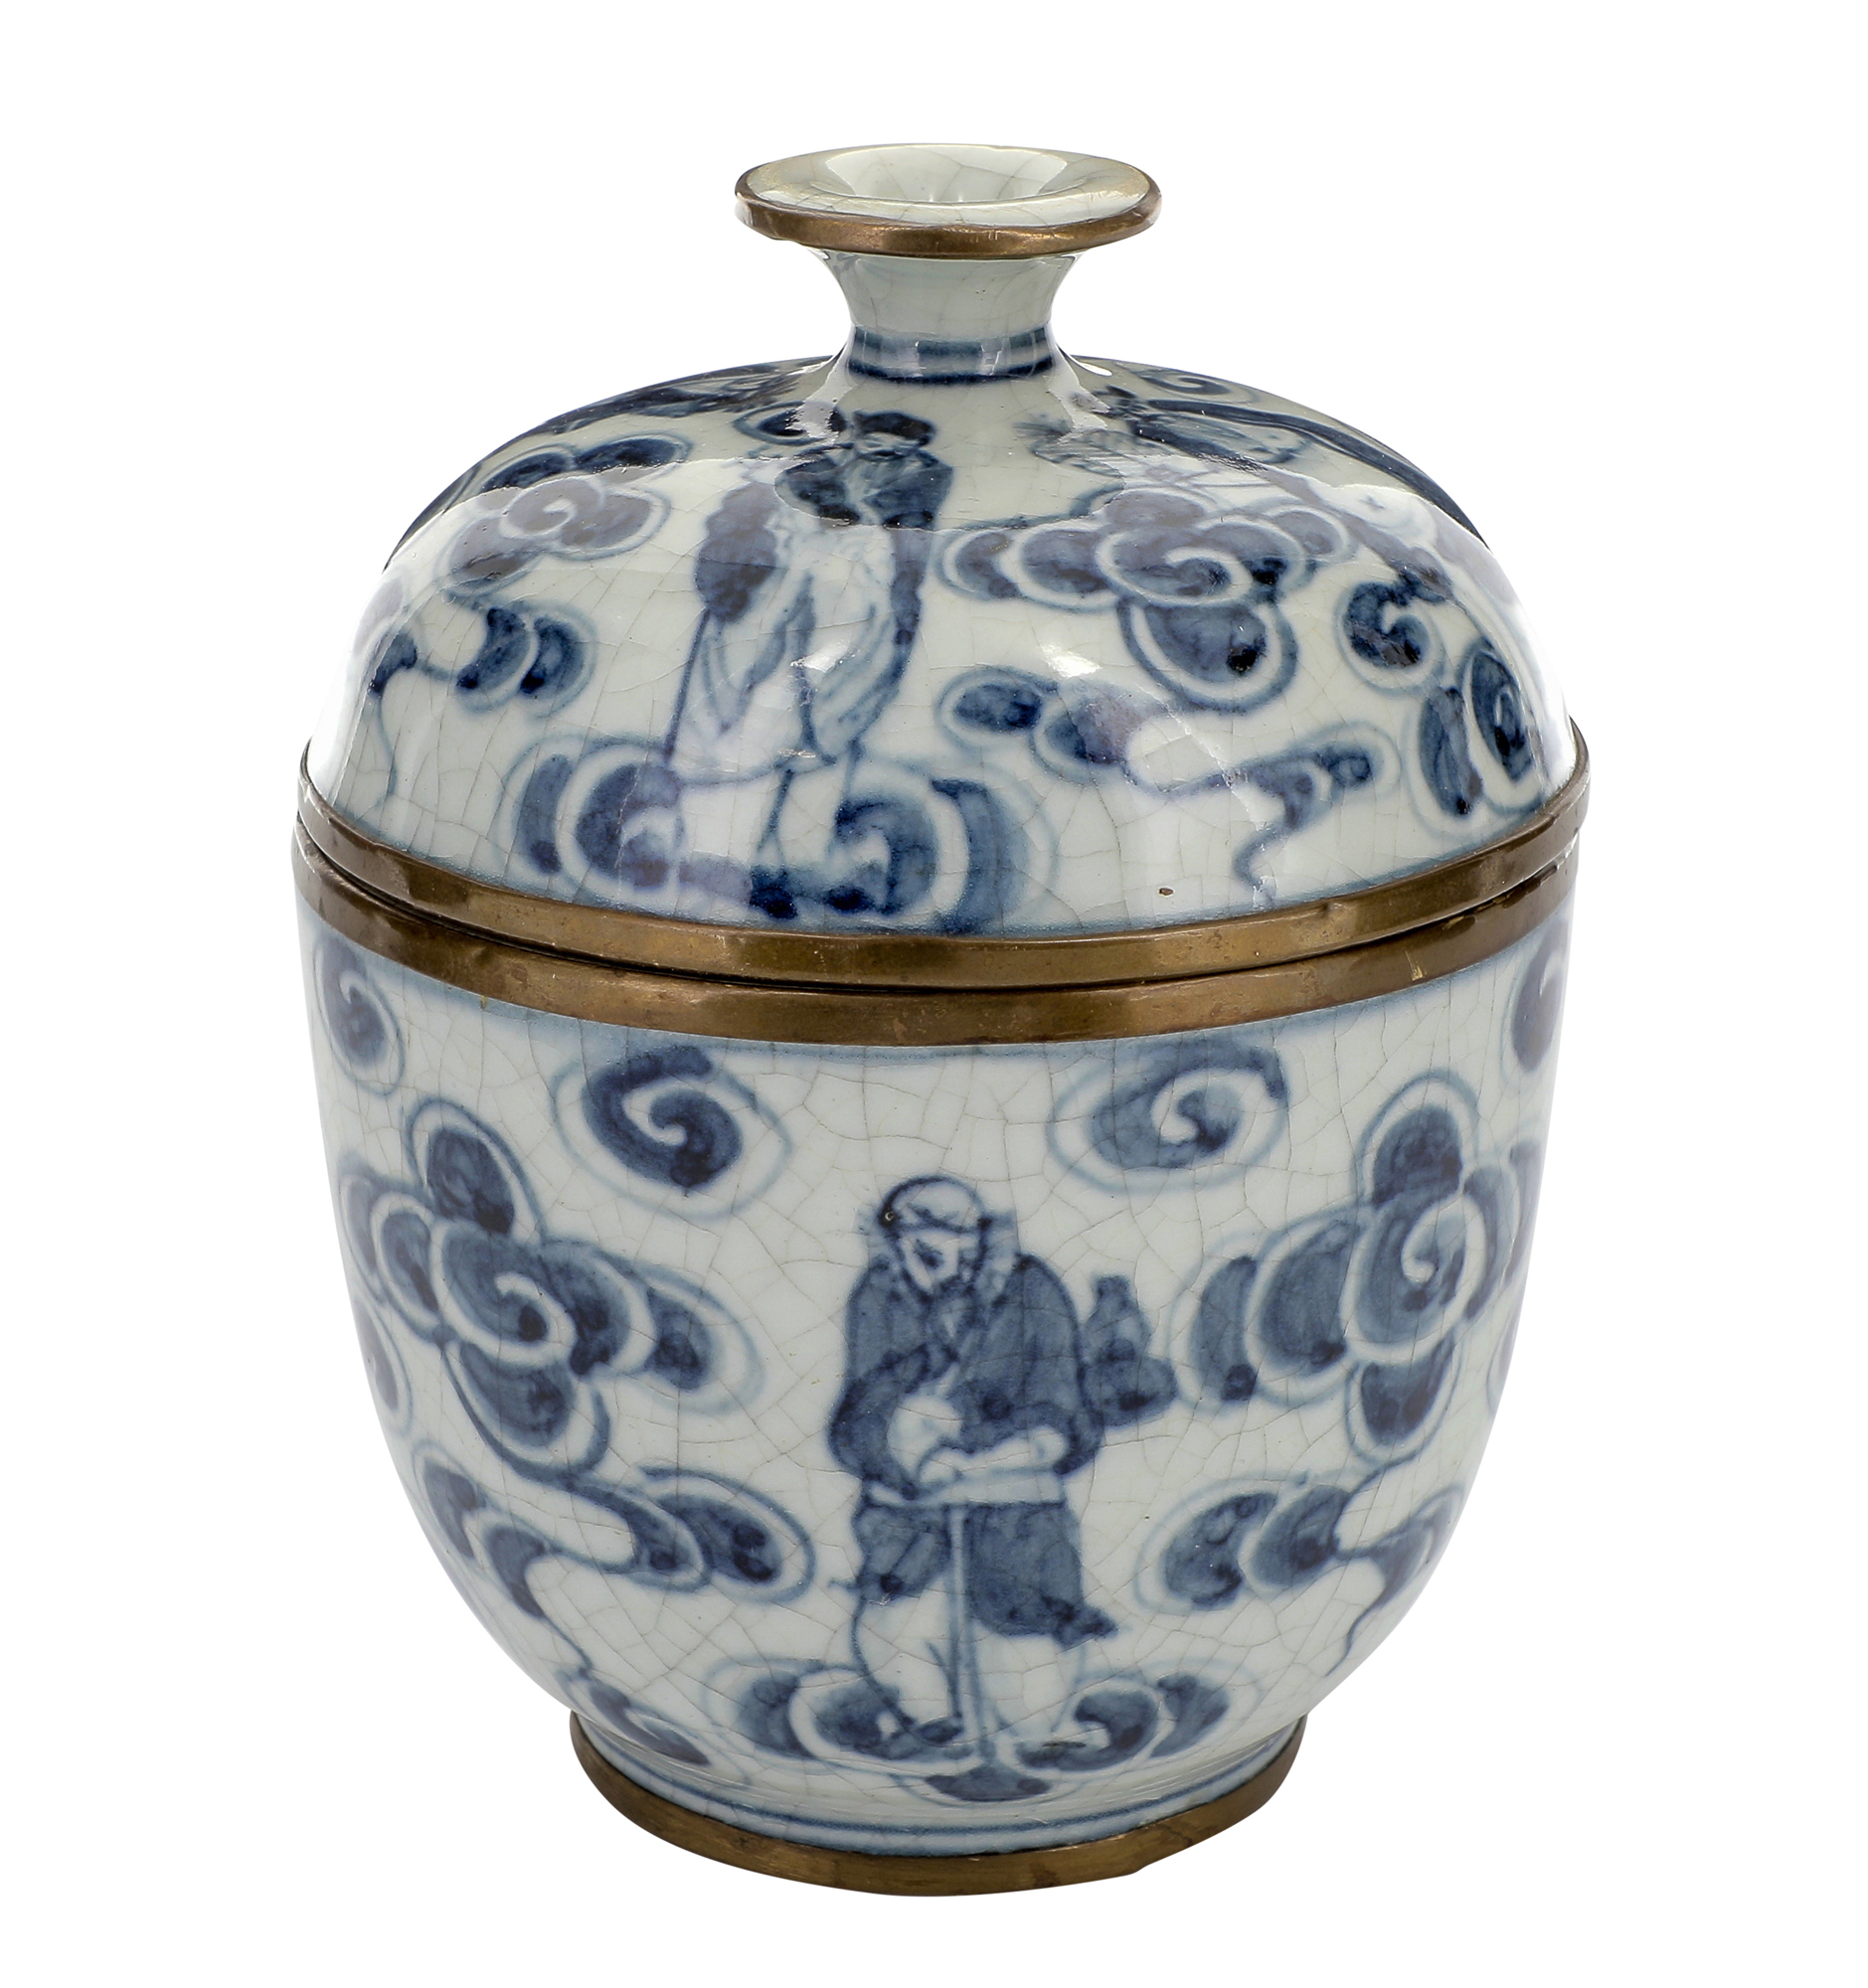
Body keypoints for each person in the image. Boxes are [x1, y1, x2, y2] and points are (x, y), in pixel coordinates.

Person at [827, 1177, 1118, 1745]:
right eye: (925, 1253)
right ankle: (930, 1724)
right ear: (898, 1240)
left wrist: (998, 1451)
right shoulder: (881, 1291)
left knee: (1025, 1662)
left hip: (1016, 1499)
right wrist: (905, 1442)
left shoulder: (1030, 1287)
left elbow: (1061, 1403)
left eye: (962, 1248)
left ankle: (1043, 1731)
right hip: (911, 1505)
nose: (947, 1269)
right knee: (896, 1630)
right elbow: (860, 1409)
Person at [664, 414, 952, 918]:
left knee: (812, 748)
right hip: (775, 643)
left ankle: (791, 865)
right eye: (873, 443)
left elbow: (894, 570)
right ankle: (718, 862)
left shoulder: (888, 528)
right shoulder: (802, 493)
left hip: (842, 638)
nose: (879, 455)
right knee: (749, 738)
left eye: (892, 450)